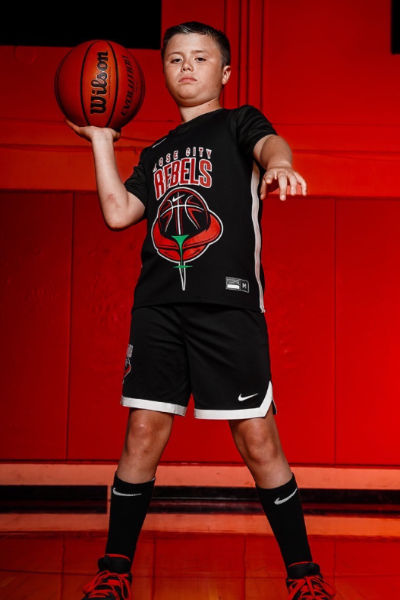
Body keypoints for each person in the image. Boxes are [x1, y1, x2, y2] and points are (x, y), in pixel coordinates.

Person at [67, 21, 336, 600]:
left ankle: (304, 574)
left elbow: (271, 145)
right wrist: (101, 139)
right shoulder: (156, 152)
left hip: (227, 306)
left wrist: (281, 164)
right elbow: (117, 214)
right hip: (158, 308)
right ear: (162, 73)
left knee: (259, 441)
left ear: (225, 72)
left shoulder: (240, 123)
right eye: (175, 59)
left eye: (200, 57)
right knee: (141, 436)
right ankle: (114, 570)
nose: (186, 66)